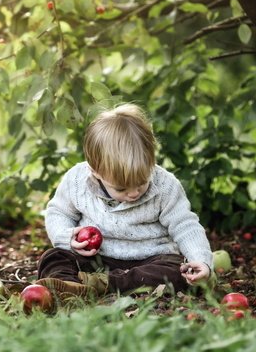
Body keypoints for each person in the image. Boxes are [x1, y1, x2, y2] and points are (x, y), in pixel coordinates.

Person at [35, 103, 213, 299]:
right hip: (95, 257)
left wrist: (201, 260)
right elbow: (59, 212)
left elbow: (185, 225)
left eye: (141, 183)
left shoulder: (165, 186)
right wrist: (67, 237)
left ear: (151, 162)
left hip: (150, 260)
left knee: (176, 273)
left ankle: (98, 285)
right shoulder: (77, 180)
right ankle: (66, 286)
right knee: (53, 258)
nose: (134, 193)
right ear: (95, 171)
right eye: (121, 188)